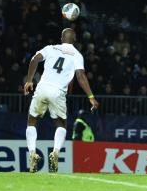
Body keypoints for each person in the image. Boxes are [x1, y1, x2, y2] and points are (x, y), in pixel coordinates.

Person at [24, 28, 99, 173]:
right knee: (61, 124)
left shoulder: (50, 48)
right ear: (75, 39)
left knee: (32, 121)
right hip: (58, 92)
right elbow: (81, 77)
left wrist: (29, 81)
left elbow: (34, 59)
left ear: (61, 38)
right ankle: (56, 152)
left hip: (42, 87)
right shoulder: (77, 55)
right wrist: (91, 97)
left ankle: (32, 152)